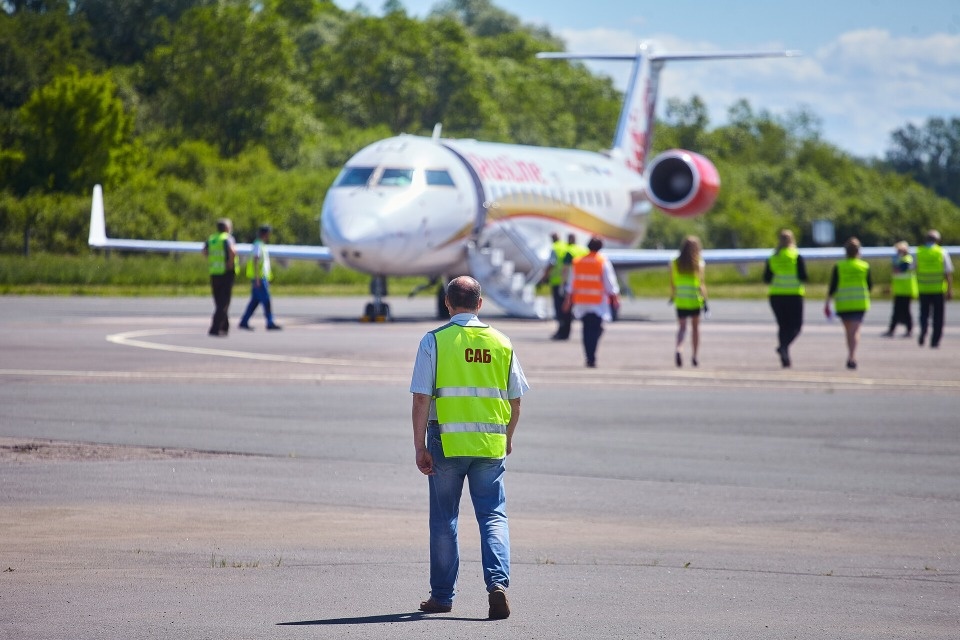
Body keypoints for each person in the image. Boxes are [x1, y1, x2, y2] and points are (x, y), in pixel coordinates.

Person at [410, 276, 529, 620]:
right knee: (492, 515)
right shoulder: (501, 342)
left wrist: (419, 446)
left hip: (446, 441)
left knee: (444, 518)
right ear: (480, 304)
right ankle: (498, 585)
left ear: (447, 303)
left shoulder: (434, 341)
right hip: (490, 444)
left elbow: (421, 398)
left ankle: (442, 596)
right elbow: (516, 400)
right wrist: (508, 436)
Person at [562, 236, 620, 367]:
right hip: (596, 302)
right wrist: (615, 297)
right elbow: (609, 282)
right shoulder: (602, 261)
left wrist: (567, 301)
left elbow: (571, 283)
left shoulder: (578, 262)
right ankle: (591, 356)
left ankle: (589, 356)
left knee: (586, 330)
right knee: (595, 330)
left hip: (582, 302)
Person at [824, 237, 872, 369]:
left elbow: (833, 286)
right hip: (859, 303)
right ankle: (852, 355)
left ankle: (851, 355)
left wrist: (827, 302)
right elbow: (870, 286)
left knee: (848, 331)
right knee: (855, 331)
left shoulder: (839, 266)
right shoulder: (864, 266)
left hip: (844, 303)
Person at [764, 229, 807, 368]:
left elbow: (766, 278)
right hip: (794, 294)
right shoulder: (796, 256)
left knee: (783, 326)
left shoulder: (773, 257)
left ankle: (785, 357)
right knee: (796, 327)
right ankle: (783, 347)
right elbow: (803, 276)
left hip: (776, 295)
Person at [670, 235, 707, 367]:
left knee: (682, 328)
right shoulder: (699, 263)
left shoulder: (675, 263)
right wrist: (705, 301)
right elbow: (701, 284)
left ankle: (679, 348)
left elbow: (672, 283)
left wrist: (673, 296)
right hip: (694, 299)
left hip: (681, 300)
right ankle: (694, 356)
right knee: (695, 328)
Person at [238, 225, 282, 331]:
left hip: (261, 278)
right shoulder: (258, 245)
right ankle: (270, 322)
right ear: (265, 234)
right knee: (266, 301)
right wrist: (257, 278)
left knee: (254, 302)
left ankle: (244, 321)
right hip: (260, 279)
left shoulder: (261, 245)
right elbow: (256, 260)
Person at [916, 229, 954, 348]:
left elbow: (912, 267)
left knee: (924, 314)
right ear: (937, 240)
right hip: (938, 289)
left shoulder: (919, 252)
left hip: (923, 289)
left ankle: (923, 330)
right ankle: (935, 340)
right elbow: (948, 272)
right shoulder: (942, 252)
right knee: (938, 316)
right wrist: (949, 289)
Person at [201, 218, 237, 337]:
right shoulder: (227, 238)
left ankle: (224, 326)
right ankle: (215, 327)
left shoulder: (212, 239)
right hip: (225, 273)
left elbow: (204, 252)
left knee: (218, 301)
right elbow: (232, 251)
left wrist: (212, 260)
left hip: (214, 272)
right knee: (224, 302)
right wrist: (230, 263)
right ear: (226, 228)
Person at [552, 233, 588, 341]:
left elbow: (565, 269)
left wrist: (562, 284)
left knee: (564, 310)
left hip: (569, 284)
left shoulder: (569, 252)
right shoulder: (583, 250)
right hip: (582, 284)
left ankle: (563, 332)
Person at [882, 241, 917, 338]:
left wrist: (895, 265)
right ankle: (893, 329)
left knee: (905, 311)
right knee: (897, 311)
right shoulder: (901, 259)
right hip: (900, 290)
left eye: (899, 250)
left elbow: (898, 270)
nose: (897, 253)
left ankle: (908, 329)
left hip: (906, 290)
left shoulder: (907, 260)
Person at [546, 232, 568, 339]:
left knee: (559, 308)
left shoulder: (555, 248)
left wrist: (545, 276)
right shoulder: (565, 246)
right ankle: (566, 331)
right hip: (566, 282)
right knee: (565, 307)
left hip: (557, 283)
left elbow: (552, 263)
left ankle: (561, 331)